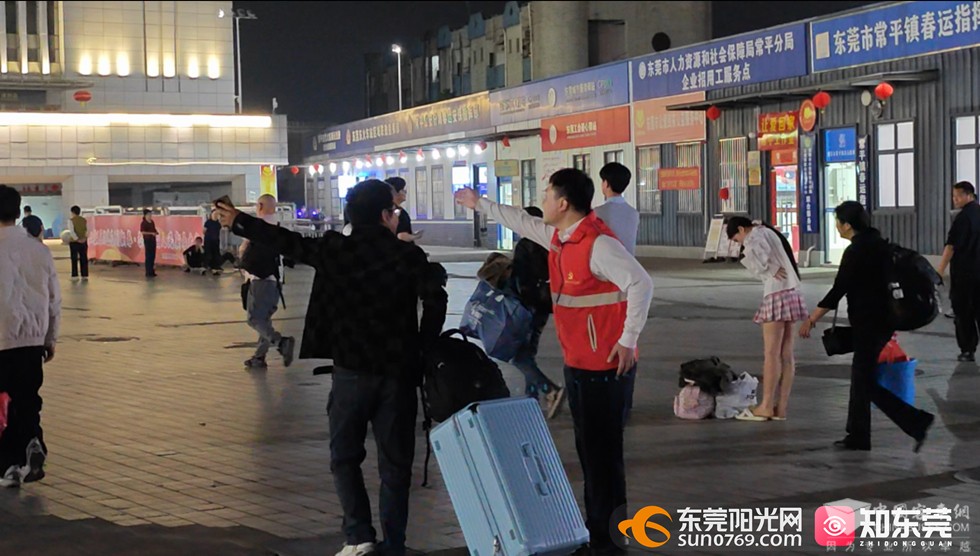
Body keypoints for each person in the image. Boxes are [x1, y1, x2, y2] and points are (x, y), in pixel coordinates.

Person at [215, 180, 448, 556]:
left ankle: (358, 536)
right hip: (399, 374)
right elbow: (437, 299)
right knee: (395, 465)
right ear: (386, 215)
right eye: (393, 211)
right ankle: (395, 544)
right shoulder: (408, 255)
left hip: (350, 372)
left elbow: (288, 242)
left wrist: (240, 221)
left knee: (344, 457)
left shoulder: (335, 249)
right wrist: (424, 346)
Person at [455, 169, 654, 555]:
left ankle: (610, 543)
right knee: (591, 456)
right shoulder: (561, 238)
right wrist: (479, 204)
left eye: (547, 194)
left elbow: (641, 283)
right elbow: (522, 221)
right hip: (579, 364)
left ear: (563, 204)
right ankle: (599, 535)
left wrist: (628, 340)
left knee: (603, 461)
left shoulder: (597, 244)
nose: (542, 200)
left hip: (605, 369)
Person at [800, 201, 934, 452]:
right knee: (861, 378)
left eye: (838, 222)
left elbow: (839, 289)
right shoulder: (881, 245)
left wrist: (812, 318)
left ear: (847, 225)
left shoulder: (856, 251)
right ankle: (859, 435)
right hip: (885, 321)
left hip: (868, 323)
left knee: (864, 380)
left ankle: (914, 421)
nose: (836, 226)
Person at [0, 185, 59, 488]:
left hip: (1, 338)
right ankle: (32, 441)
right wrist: (50, 338)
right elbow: (54, 298)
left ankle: (8, 465)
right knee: (27, 399)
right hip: (32, 339)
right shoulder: (39, 250)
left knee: (3, 404)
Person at [726, 217, 806, 421]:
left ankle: (766, 405)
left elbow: (758, 258)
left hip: (776, 294)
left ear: (741, 229)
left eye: (736, 239)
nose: (739, 244)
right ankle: (781, 408)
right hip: (792, 292)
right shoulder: (767, 231)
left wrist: (768, 269)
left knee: (771, 354)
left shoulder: (755, 235)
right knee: (787, 354)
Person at [510, 206, 565, 419]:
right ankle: (530, 399)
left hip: (527, 306)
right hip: (545, 304)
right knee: (528, 353)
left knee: (518, 356)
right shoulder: (551, 243)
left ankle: (548, 389)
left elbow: (519, 278)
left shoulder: (525, 245)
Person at [936, 181, 980, 362]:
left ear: (969, 195)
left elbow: (951, 246)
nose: (955, 200)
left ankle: (967, 350)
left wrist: (939, 271)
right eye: (954, 196)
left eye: (958, 196)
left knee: (963, 313)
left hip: (964, 275)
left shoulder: (962, 218)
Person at [593, 162, 639, 255]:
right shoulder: (634, 213)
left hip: (606, 262)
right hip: (629, 262)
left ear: (606, 183)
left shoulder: (597, 213)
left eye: (602, 181)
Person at [386, 177, 423, 243]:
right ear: (395, 192)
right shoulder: (397, 212)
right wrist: (415, 236)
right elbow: (401, 236)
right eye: (402, 189)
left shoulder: (388, 210)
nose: (405, 192)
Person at [68, 205, 89, 280]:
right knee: (84, 258)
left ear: (72, 212)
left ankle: (75, 275)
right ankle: (84, 275)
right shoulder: (84, 220)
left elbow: (72, 232)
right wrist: (84, 238)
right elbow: (87, 230)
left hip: (74, 242)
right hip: (83, 242)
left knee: (74, 259)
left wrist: (77, 239)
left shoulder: (71, 221)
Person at [140, 209, 159, 278]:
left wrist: (156, 232)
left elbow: (154, 229)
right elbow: (143, 232)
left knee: (153, 255)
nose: (150, 216)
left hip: (153, 240)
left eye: (150, 214)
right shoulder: (144, 223)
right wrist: (151, 233)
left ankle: (152, 271)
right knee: (148, 256)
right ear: (145, 215)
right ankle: (148, 271)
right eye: (149, 215)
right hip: (148, 240)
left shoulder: (152, 222)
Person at [204, 210, 224, 276]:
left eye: (216, 214)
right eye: (214, 214)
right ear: (211, 214)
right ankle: (207, 266)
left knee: (216, 254)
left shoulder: (218, 223)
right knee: (208, 254)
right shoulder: (208, 222)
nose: (215, 215)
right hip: (208, 240)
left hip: (216, 241)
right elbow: (204, 231)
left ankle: (215, 267)